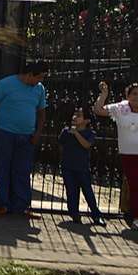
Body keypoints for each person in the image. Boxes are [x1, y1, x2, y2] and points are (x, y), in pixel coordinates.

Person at [0, 61, 49, 217]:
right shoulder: (5, 85)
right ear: (30, 75)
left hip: (27, 135)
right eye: (39, 77)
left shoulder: (39, 89)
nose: (40, 81)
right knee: (2, 168)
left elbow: (42, 113)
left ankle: (21, 206)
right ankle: (2, 203)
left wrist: (37, 133)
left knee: (22, 170)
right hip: (4, 132)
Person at [94, 81, 138, 230]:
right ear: (128, 95)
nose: (137, 97)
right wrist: (104, 95)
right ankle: (136, 216)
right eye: (134, 94)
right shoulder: (121, 108)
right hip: (129, 154)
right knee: (135, 185)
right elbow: (99, 110)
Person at [58, 108, 105, 226]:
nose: (74, 117)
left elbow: (86, 145)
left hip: (82, 168)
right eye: (74, 114)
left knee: (87, 191)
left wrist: (76, 134)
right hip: (67, 166)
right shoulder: (66, 131)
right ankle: (74, 214)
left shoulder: (89, 133)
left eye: (78, 115)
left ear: (86, 120)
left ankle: (96, 215)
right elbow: (61, 144)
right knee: (71, 191)